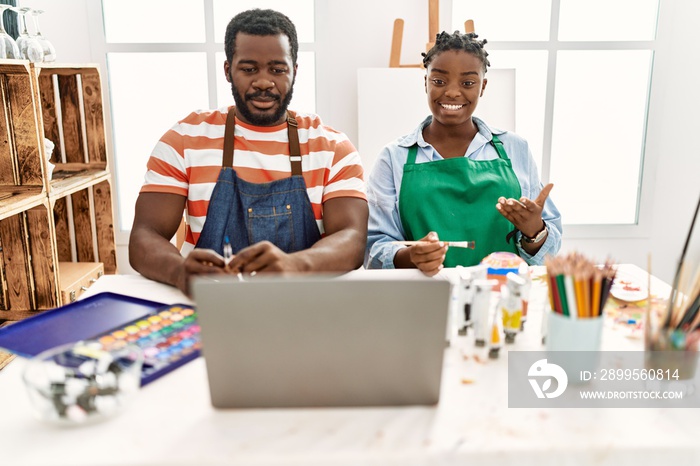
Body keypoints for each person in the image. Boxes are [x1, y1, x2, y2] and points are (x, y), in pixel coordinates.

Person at [129, 9, 368, 295]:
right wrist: (178, 270)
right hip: (209, 303)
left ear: (294, 70)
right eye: (249, 69)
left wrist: (297, 265)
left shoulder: (332, 148)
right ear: (228, 70)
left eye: (277, 69)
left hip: (307, 306)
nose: (264, 82)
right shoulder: (184, 139)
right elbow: (145, 235)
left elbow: (353, 239)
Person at [365, 31, 561, 276]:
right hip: (426, 299)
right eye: (439, 81)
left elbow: (549, 253)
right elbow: (373, 249)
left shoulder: (515, 148)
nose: (452, 93)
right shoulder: (394, 158)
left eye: (467, 83)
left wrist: (535, 231)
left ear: (483, 87)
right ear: (425, 82)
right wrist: (411, 256)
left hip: (502, 300)